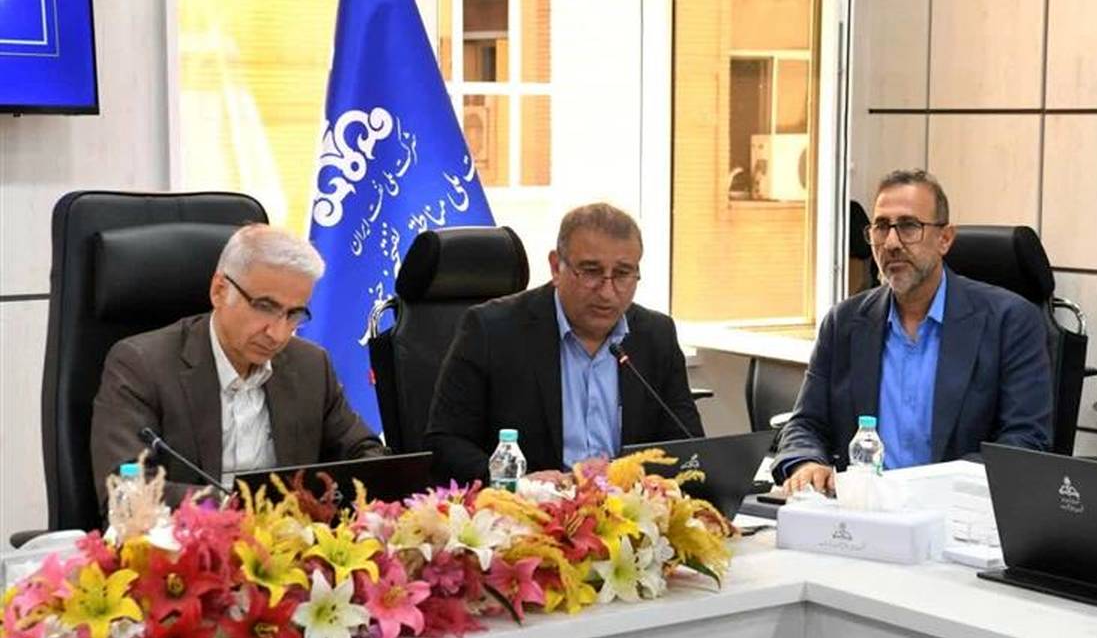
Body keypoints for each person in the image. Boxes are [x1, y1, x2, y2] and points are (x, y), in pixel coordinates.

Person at [774, 170, 1052, 494]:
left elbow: (1024, 442)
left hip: (958, 509)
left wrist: (928, 489)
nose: (891, 243)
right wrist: (806, 462)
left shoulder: (1011, 322)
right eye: (881, 227)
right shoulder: (844, 323)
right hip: (862, 509)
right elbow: (805, 424)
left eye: (908, 226)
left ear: (944, 239)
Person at [90, 224, 386, 506]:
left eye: (293, 314)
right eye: (265, 307)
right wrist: (237, 508)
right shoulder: (141, 365)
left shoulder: (310, 365)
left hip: (292, 539)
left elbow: (366, 454)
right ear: (219, 290)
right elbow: (128, 490)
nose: (278, 333)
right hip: (189, 538)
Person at [425, 203, 703, 484]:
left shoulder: (656, 335)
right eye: (591, 271)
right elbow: (446, 443)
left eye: (622, 273)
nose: (607, 292)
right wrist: (518, 483)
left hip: (628, 505)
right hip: (529, 506)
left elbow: (689, 447)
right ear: (556, 267)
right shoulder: (491, 330)